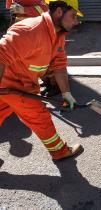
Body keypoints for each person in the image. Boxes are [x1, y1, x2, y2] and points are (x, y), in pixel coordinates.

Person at [0, 0, 84, 161]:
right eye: (73, 16)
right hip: (15, 86)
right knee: (40, 118)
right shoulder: (30, 30)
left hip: (15, 85)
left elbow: (59, 65)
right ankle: (59, 151)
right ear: (59, 12)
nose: (76, 21)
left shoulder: (57, 34)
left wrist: (66, 93)